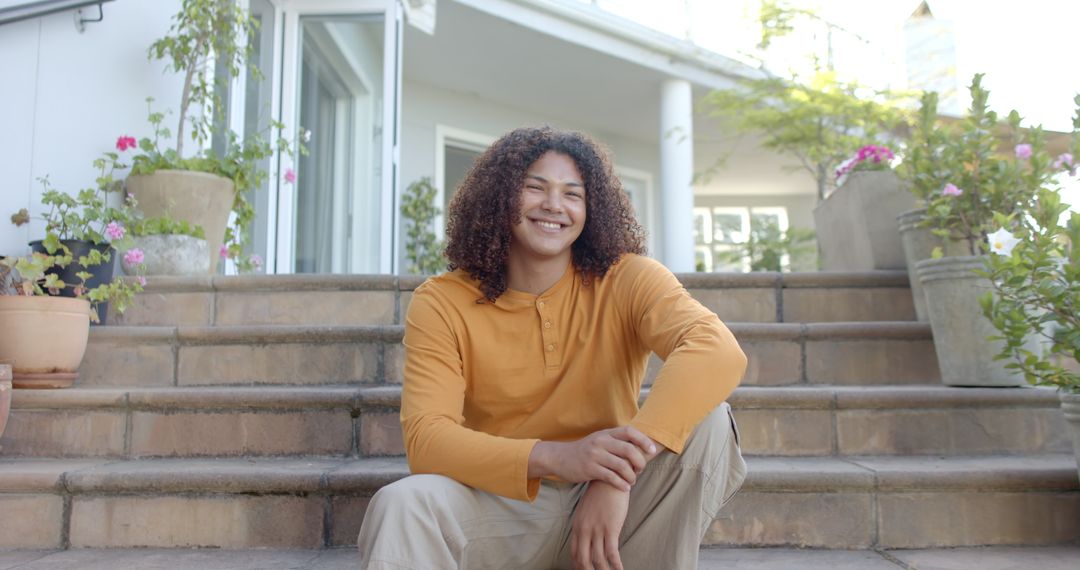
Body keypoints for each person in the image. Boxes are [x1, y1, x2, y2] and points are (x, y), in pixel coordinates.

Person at [358, 126, 747, 570]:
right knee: (402, 503)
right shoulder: (442, 301)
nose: (553, 206)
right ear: (501, 197)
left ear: (592, 209)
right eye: (534, 187)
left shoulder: (628, 278)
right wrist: (561, 457)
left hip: (613, 515)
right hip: (502, 506)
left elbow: (716, 349)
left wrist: (615, 476)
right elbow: (427, 441)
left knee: (710, 420)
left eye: (572, 194)